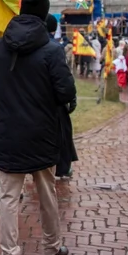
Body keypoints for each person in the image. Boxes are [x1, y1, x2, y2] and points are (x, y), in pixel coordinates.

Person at [0, 0, 75, 255]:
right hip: (42, 132)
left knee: (8, 199)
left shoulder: (1, 46)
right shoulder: (51, 50)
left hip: (8, 132)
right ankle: (52, 247)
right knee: (47, 195)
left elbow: (0, 80)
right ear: (43, 14)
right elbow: (66, 90)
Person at [47, 15, 78, 181]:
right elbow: (64, 76)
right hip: (54, 101)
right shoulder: (55, 48)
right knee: (62, 133)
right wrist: (70, 97)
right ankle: (63, 167)